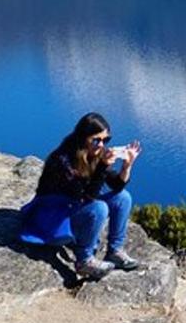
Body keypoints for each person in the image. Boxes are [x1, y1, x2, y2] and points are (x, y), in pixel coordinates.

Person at [20, 112, 142, 280]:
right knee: (99, 207)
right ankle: (84, 261)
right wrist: (102, 167)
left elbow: (117, 185)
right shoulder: (62, 161)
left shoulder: (94, 154)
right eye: (96, 140)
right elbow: (86, 197)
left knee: (123, 198)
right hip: (54, 219)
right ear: (83, 137)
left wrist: (127, 166)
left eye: (105, 140)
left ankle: (115, 251)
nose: (101, 144)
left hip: (73, 210)